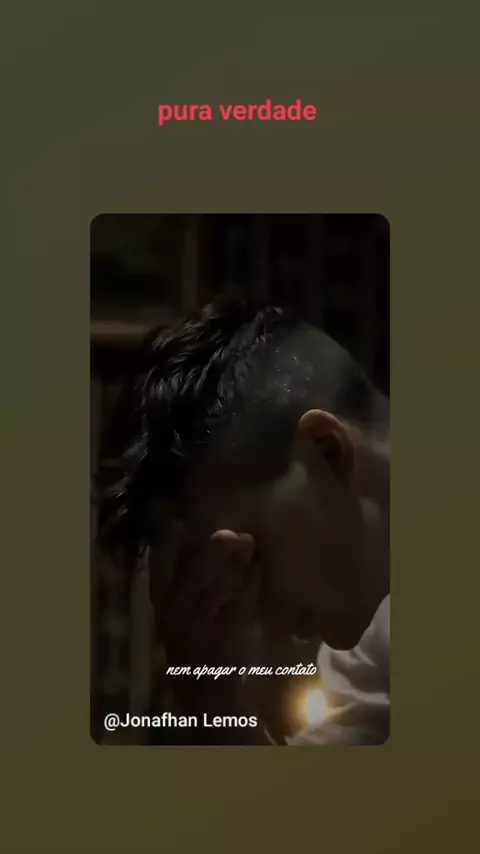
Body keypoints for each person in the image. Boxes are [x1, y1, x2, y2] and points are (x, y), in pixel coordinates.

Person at [98, 297, 390, 744]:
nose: (256, 612)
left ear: (327, 451)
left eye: (251, 557)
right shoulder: (368, 653)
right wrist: (214, 699)